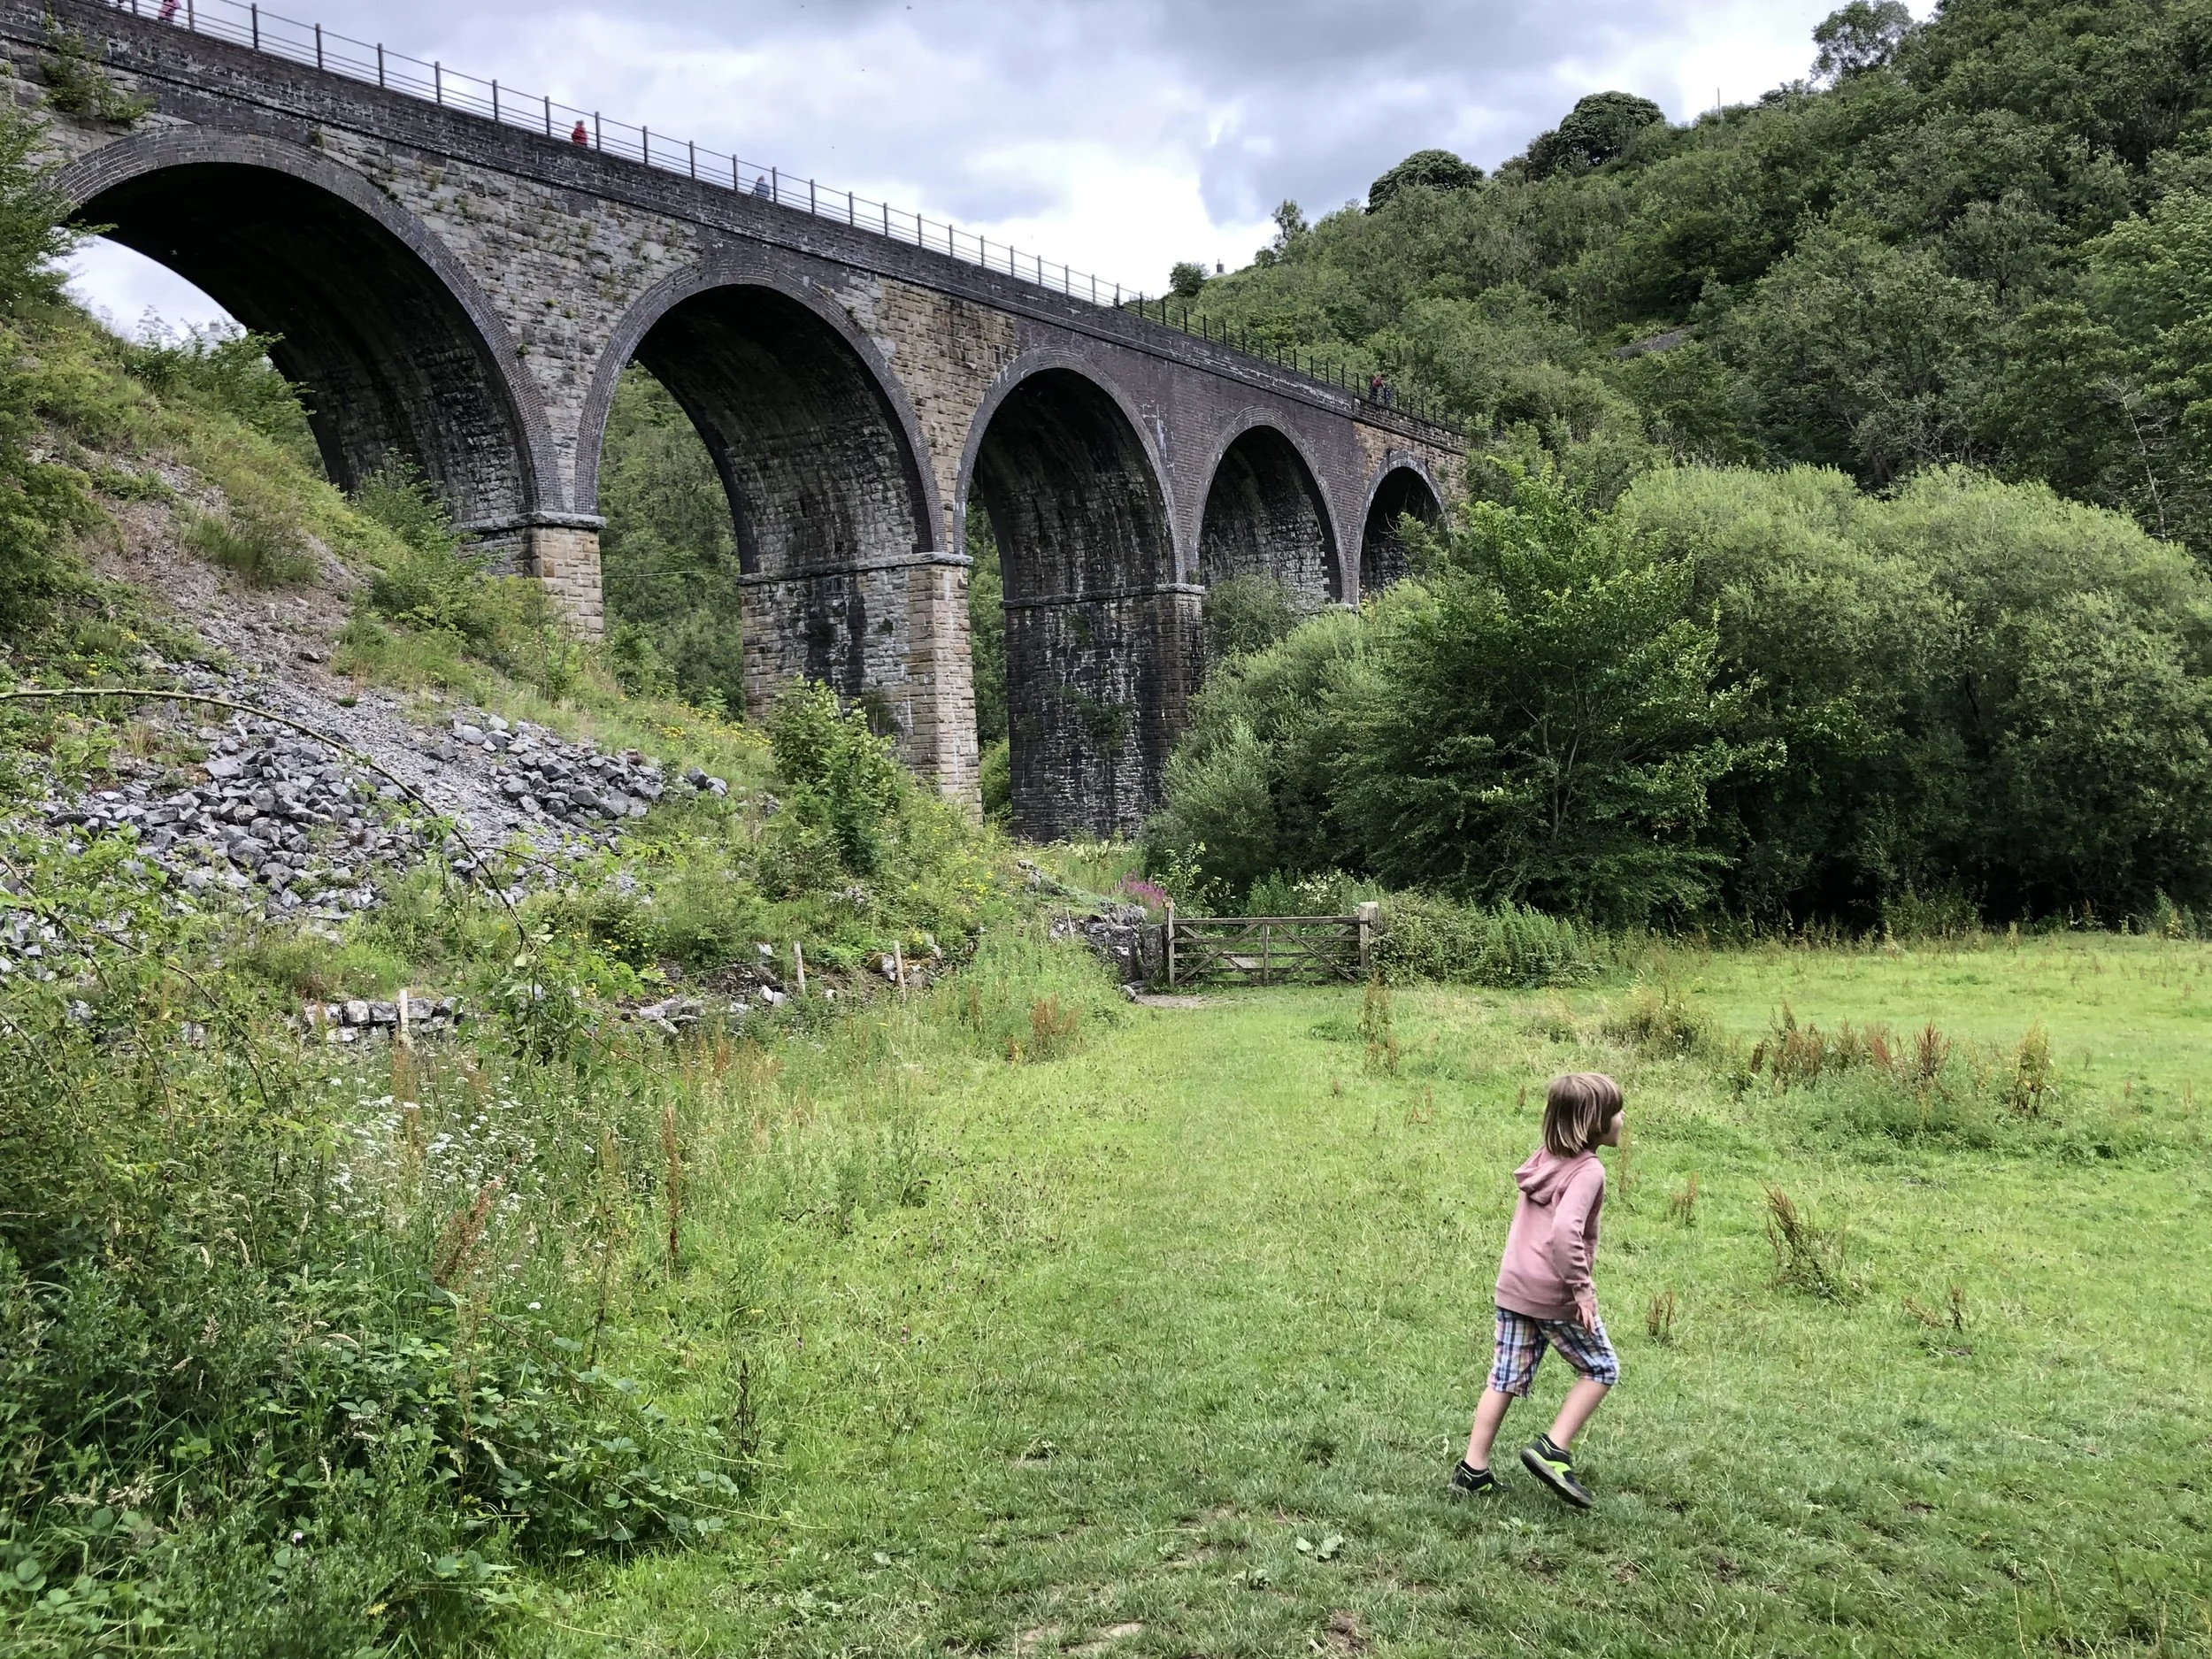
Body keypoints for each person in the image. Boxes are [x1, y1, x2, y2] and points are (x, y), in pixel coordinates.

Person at [1451, 1072, 1624, 1509]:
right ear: (1594, 1124)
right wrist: (1582, 1292)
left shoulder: (1545, 1157)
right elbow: (1565, 1233)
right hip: (1554, 1293)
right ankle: (1553, 1449)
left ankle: (1473, 1471)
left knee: (1503, 1378)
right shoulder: (1589, 1170)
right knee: (1601, 1367)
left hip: (1514, 1286)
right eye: (1616, 1112)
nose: (1623, 1120)